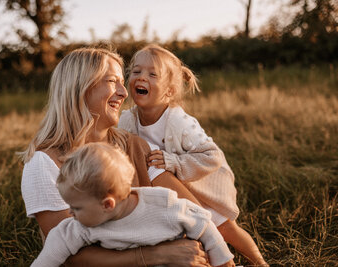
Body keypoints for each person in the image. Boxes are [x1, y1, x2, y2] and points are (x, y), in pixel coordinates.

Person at [20, 47, 215, 266]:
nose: (124, 93)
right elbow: (69, 256)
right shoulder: (43, 163)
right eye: (112, 81)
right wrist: (156, 255)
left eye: (123, 82)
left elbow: (193, 213)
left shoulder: (136, 146)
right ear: (79, 87)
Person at [118, 44, 267, 266]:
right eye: (136, 71)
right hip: (168, 191)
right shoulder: (127, 120)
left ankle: (259, 261)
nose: (141, 78)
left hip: (199, 187)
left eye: (152, 74)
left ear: (169, 91)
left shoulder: (178, 122)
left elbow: (212, 156)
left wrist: (175, 162)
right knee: (188, 231)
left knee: (224, 228)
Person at [31, 142, 235, 267]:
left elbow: (203, 222)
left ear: (107, 204)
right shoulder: (81, 227)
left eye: (76, 208)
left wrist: (222, 259)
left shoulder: (162, 205)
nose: (70, 213)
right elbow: (52, 252)